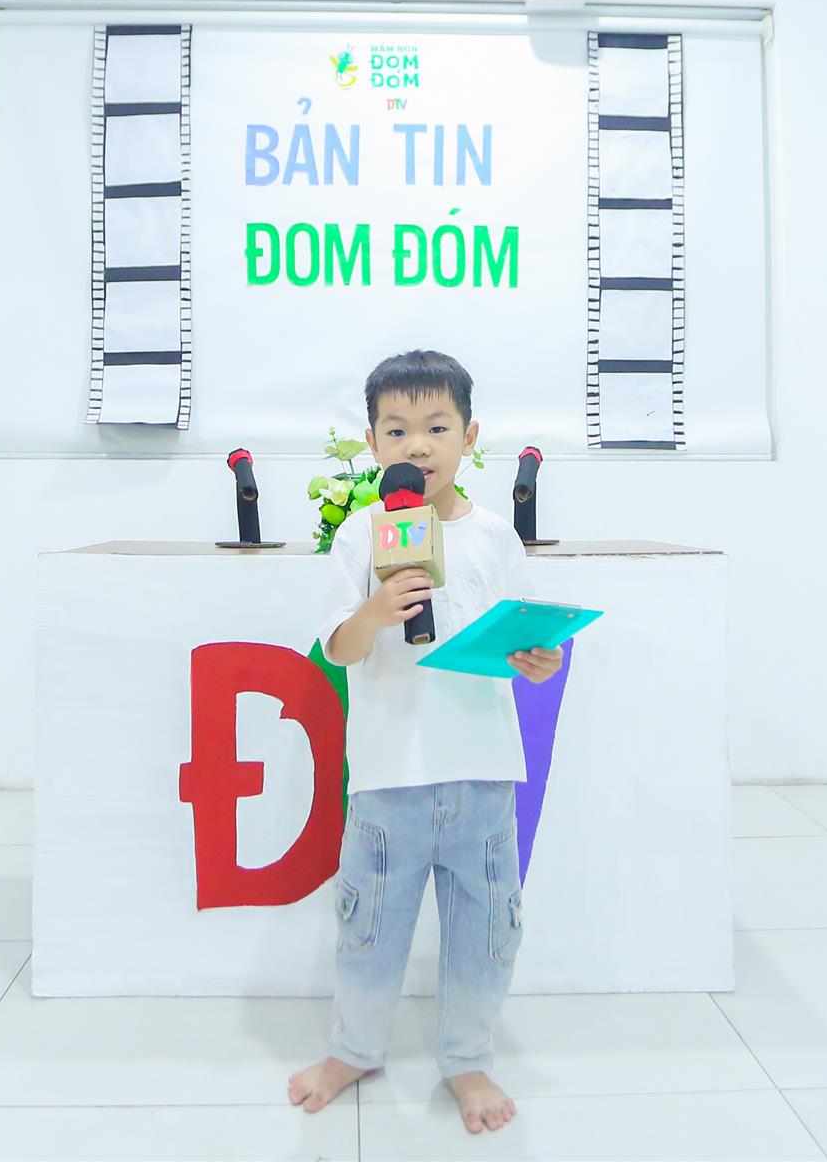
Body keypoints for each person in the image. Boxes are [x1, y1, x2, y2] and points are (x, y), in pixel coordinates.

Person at [287, 348, 563, 1135]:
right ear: (373, 443)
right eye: (398, 429)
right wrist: (376, 612)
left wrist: (538, 660)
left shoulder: (495, 537)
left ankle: (467, 1058)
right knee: (369, 928)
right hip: (388, 779)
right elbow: (339, 648)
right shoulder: (361, 537)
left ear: (470, 436)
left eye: (437, 427)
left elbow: (526, 640)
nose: (418, 445)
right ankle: (353, 1049)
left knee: (486, 929)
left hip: (483, 774)